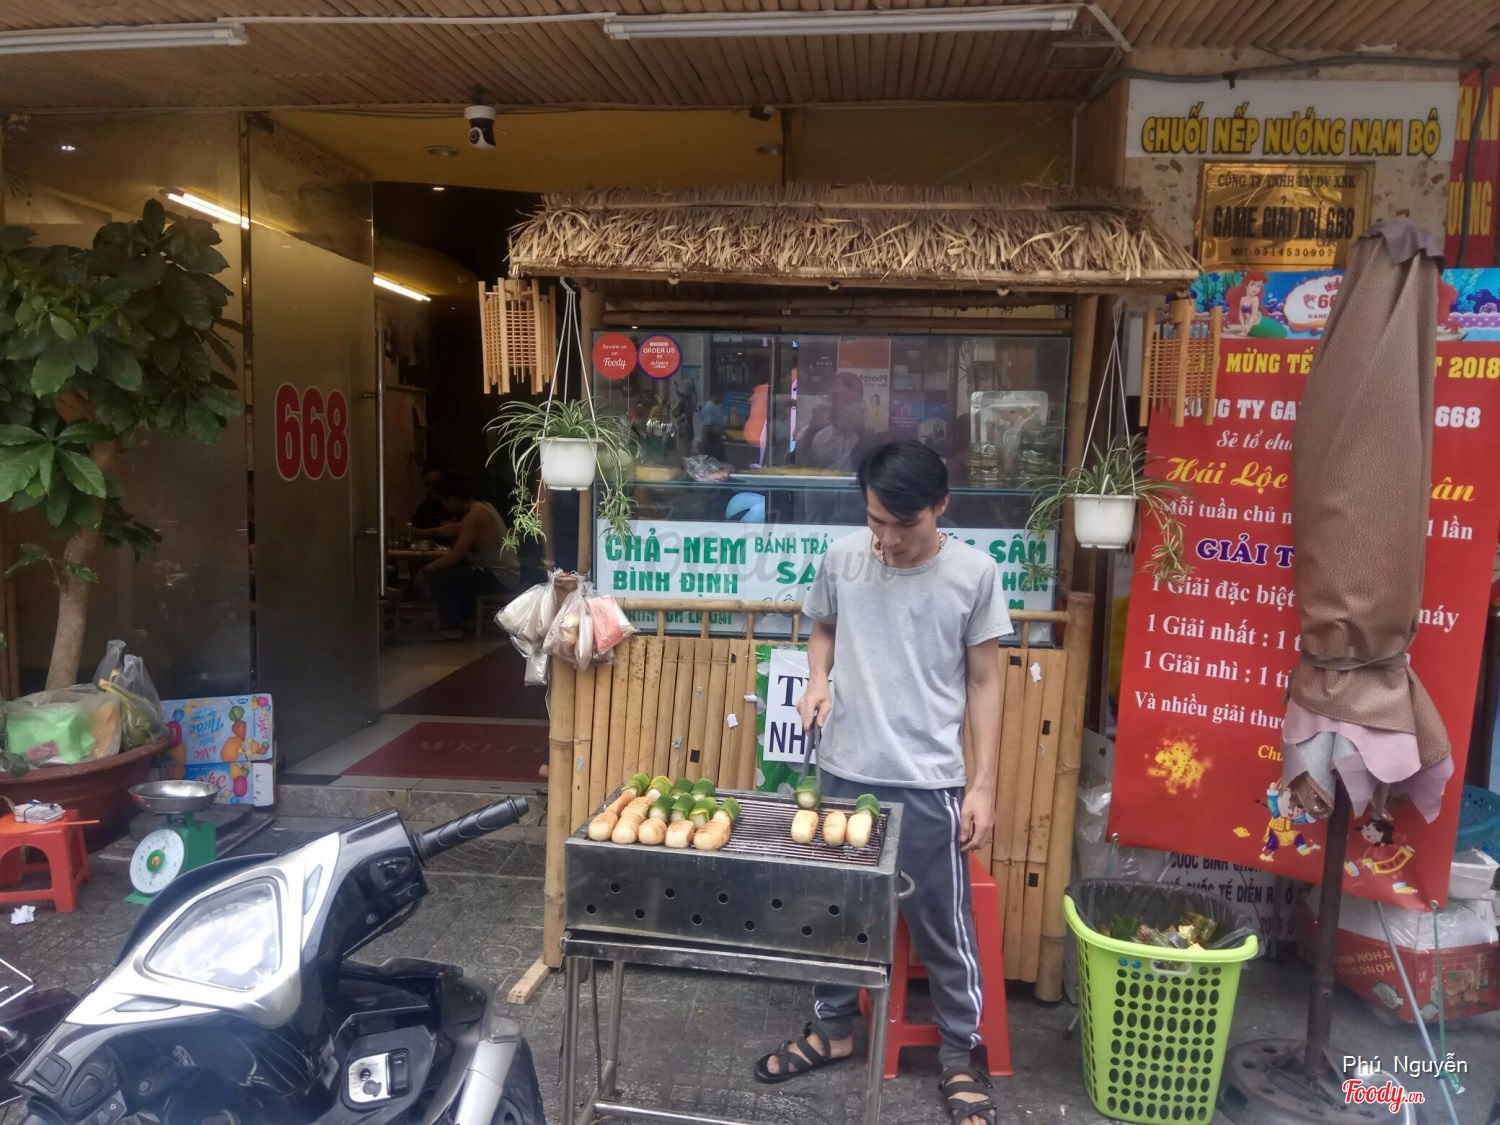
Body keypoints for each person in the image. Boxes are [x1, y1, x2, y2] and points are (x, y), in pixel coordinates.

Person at [753, 440, 1009, 1125]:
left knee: (942, 925)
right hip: (843, 770)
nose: (888, 539)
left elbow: (986, 681)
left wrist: (984, 784)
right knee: (834, 911)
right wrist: (816, 679)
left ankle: (961, 1054)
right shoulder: (843, 558)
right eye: (875, 520)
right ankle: (833, 1029)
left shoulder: (974, 574)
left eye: (905, 524)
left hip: (929, 784)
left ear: (940, 506)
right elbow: (824, 628)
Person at [418, 474, 520, 641]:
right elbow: (454, 529)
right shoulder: (482, 508)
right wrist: (423, 533)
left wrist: (425, 570)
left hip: (500, 577)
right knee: (458, 574)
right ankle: (465, 620)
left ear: (451, 499)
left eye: (443, 501)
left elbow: (455, 556)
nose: (443, 506)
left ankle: (451, 628)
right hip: (505, 575)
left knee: (441, 576)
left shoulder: (476, 515)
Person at [407, 461, 450, 534]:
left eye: (437, 481)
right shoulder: (427, 505)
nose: (433, 487)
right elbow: (412, 526)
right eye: (428, 483)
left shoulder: (457, 502)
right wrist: (441, 524)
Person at [700, 389, 730, 461]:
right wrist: (704, 444)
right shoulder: (710, 407)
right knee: (716, 462)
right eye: (722, 396)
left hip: (717, 441)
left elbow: (718, 425)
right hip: (712, 441)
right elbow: (707, 427)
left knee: (720, 461)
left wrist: (727, 436)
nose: (723, 399)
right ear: (717, 395)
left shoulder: (715, 407)